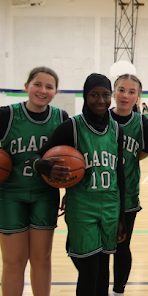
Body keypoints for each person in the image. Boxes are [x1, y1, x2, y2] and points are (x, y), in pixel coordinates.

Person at [30, 73, 127, 296]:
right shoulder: (71, 127)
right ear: (85, 96)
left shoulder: (116, 129)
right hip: (82, 207)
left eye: (105, 95)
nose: (101, 100)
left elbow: (119, 174)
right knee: (89, 270)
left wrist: (122, 216)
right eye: (94, 95)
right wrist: (42, 166)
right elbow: (37, 155)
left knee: (103, 270)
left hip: (110, 206)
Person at [0, 67, 68, 296]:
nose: (42, 90)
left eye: (49, 87)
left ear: (56, 92)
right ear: (26, 86)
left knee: (42, 258)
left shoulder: (61, 118)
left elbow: (71, 159)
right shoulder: (7, 115)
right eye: (37, 84)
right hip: (10, 194)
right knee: (13, 261)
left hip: (44, 194)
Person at [110, 74, 148, 296]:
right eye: (121, 90)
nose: (126, 95)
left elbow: (144, 151)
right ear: (114, 91)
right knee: (98, 250)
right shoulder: (100, 117)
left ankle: (118, 291)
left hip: (128, 196)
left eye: (131, 91)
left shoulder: (142, 123)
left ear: (138, 96)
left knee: (122, 247)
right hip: (100, 195)